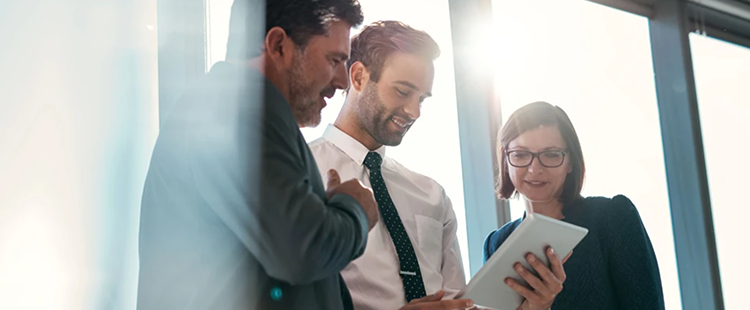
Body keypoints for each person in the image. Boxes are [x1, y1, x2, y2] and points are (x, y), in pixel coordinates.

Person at [136, 1, 379, 310]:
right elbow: (300, 250)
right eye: (334, 59)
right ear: (278, 45)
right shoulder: (234, 107)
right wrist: (354, 209)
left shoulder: (236, 109)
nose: (342, 82)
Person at [309, 21, 565, 310]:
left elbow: (460, 302)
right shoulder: (302, 175)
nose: (414, 111)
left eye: (421, 99)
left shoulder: (431, 194)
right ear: (358, 77)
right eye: (403, 91)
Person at [483, 101, 666, 310]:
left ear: (570, 162)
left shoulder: (612, 218)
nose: (534, 169)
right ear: (506, 160)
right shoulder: (497, 244)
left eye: (551, 154)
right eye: (521, 155)